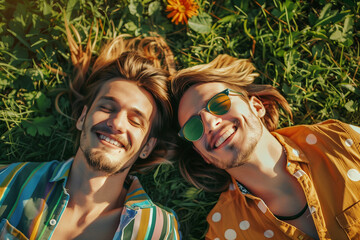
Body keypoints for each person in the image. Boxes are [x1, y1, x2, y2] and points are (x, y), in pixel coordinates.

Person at [0, 25, 180, 239]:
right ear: (83, 117)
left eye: (135, 120)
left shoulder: (159, 230)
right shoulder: (9, 183)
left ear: (147, 147)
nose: (117, 123)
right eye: (107, 108)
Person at [171, 54, 360, 240]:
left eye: (219, 103)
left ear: (256, 106)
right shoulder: (224, 232)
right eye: (194, 127)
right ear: (203, 154)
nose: (210, 124)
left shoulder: (341, 141)